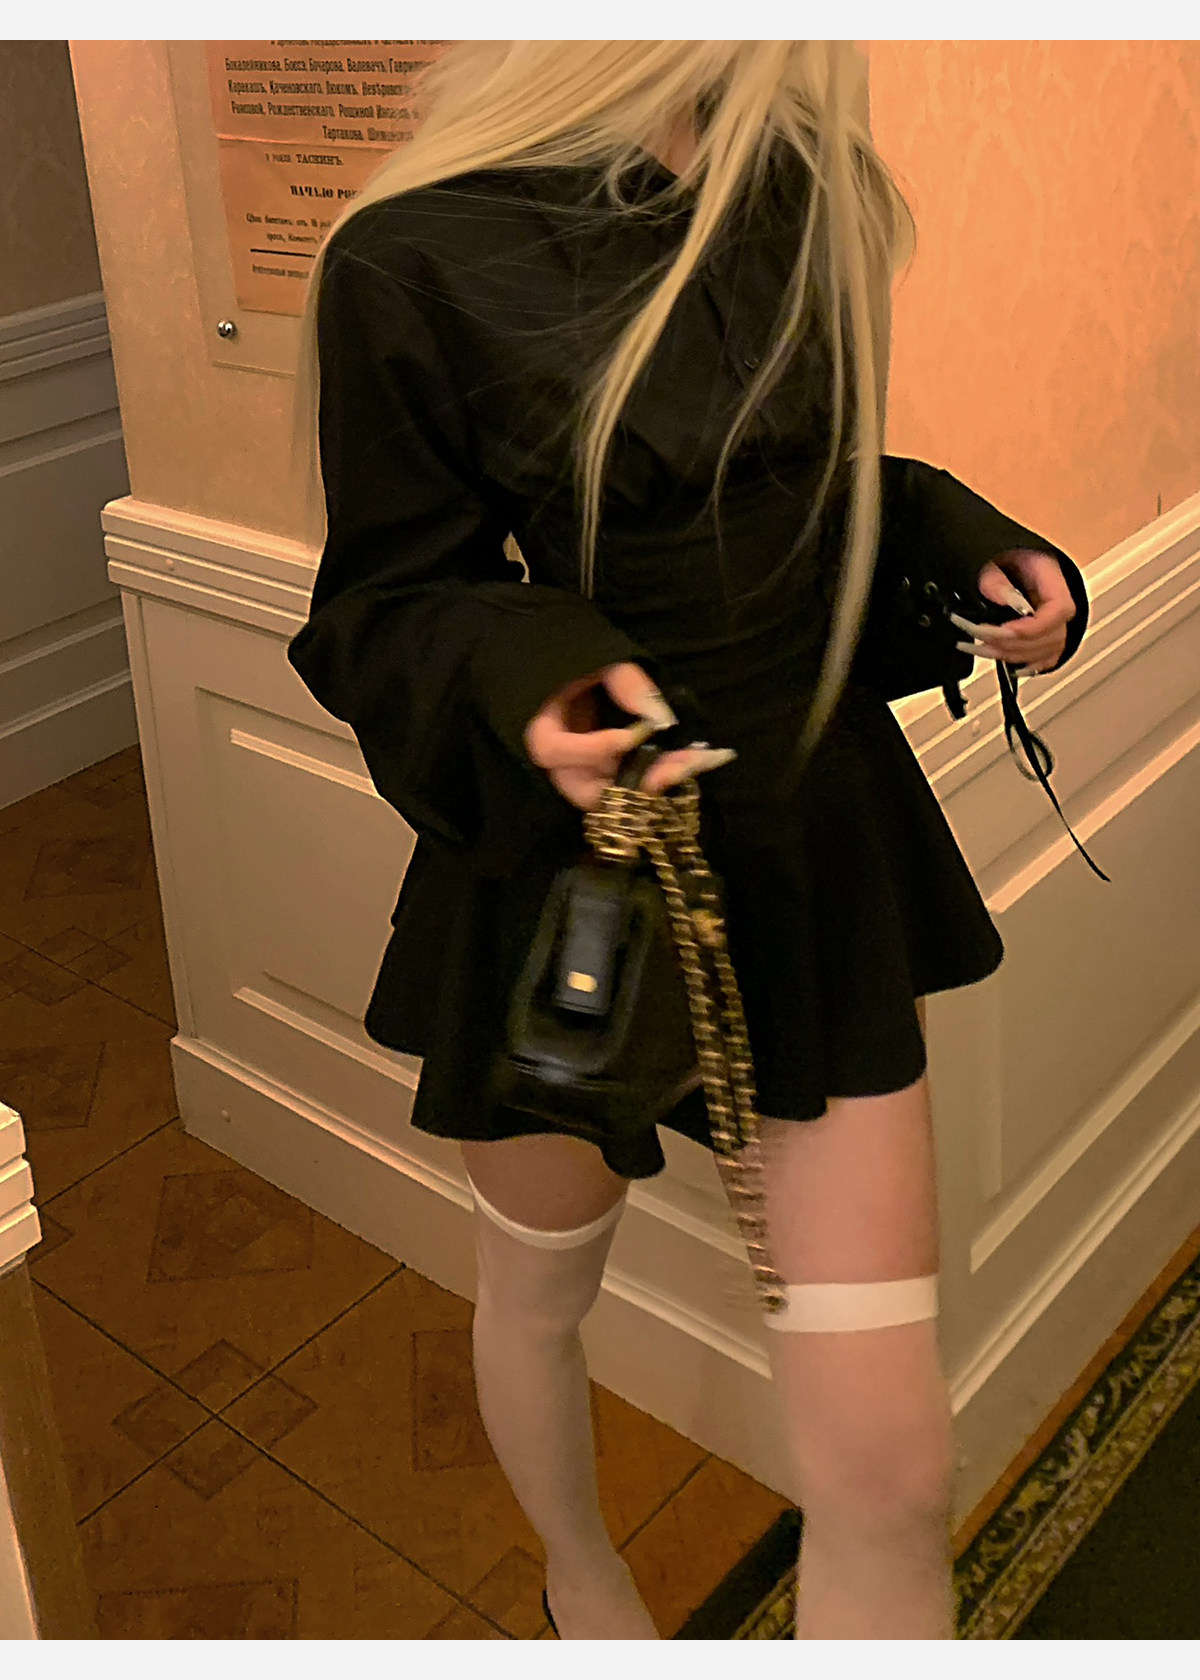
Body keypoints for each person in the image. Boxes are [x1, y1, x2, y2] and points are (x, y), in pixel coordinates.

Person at [285, 41, 1086, 1640]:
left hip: (808, 843)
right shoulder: (416, 246)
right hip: (573, 868)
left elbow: (794, 491)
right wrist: (540, 674)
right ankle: (582, 1580)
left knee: (894, 1476)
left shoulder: (797, 184)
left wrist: (958, 543)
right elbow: (388, 600)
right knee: (539, 1285)